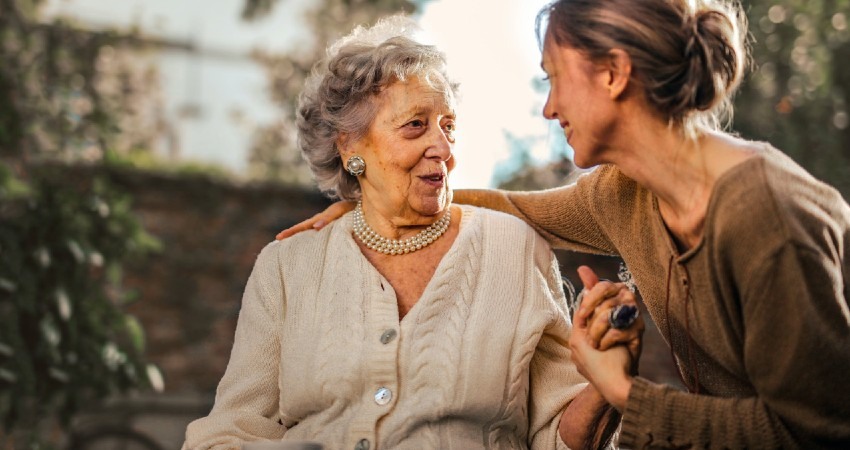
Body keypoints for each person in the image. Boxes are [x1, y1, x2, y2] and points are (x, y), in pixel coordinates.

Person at [278, 1, 850, 448]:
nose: (549, 108)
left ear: (614, 74)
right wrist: (375, 202)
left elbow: (814, 431)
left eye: (554, 78)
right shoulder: (625, 193)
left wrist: (621, 390)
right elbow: (514, 207)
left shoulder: (765, 215)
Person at [184, 16, 642, 450]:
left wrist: (605, 385)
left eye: (449, 127)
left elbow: (558, 438)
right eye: (416, 126)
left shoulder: (515, 249)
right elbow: (230, 431)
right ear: (350, 146)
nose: (442, 149)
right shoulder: (287, 266)